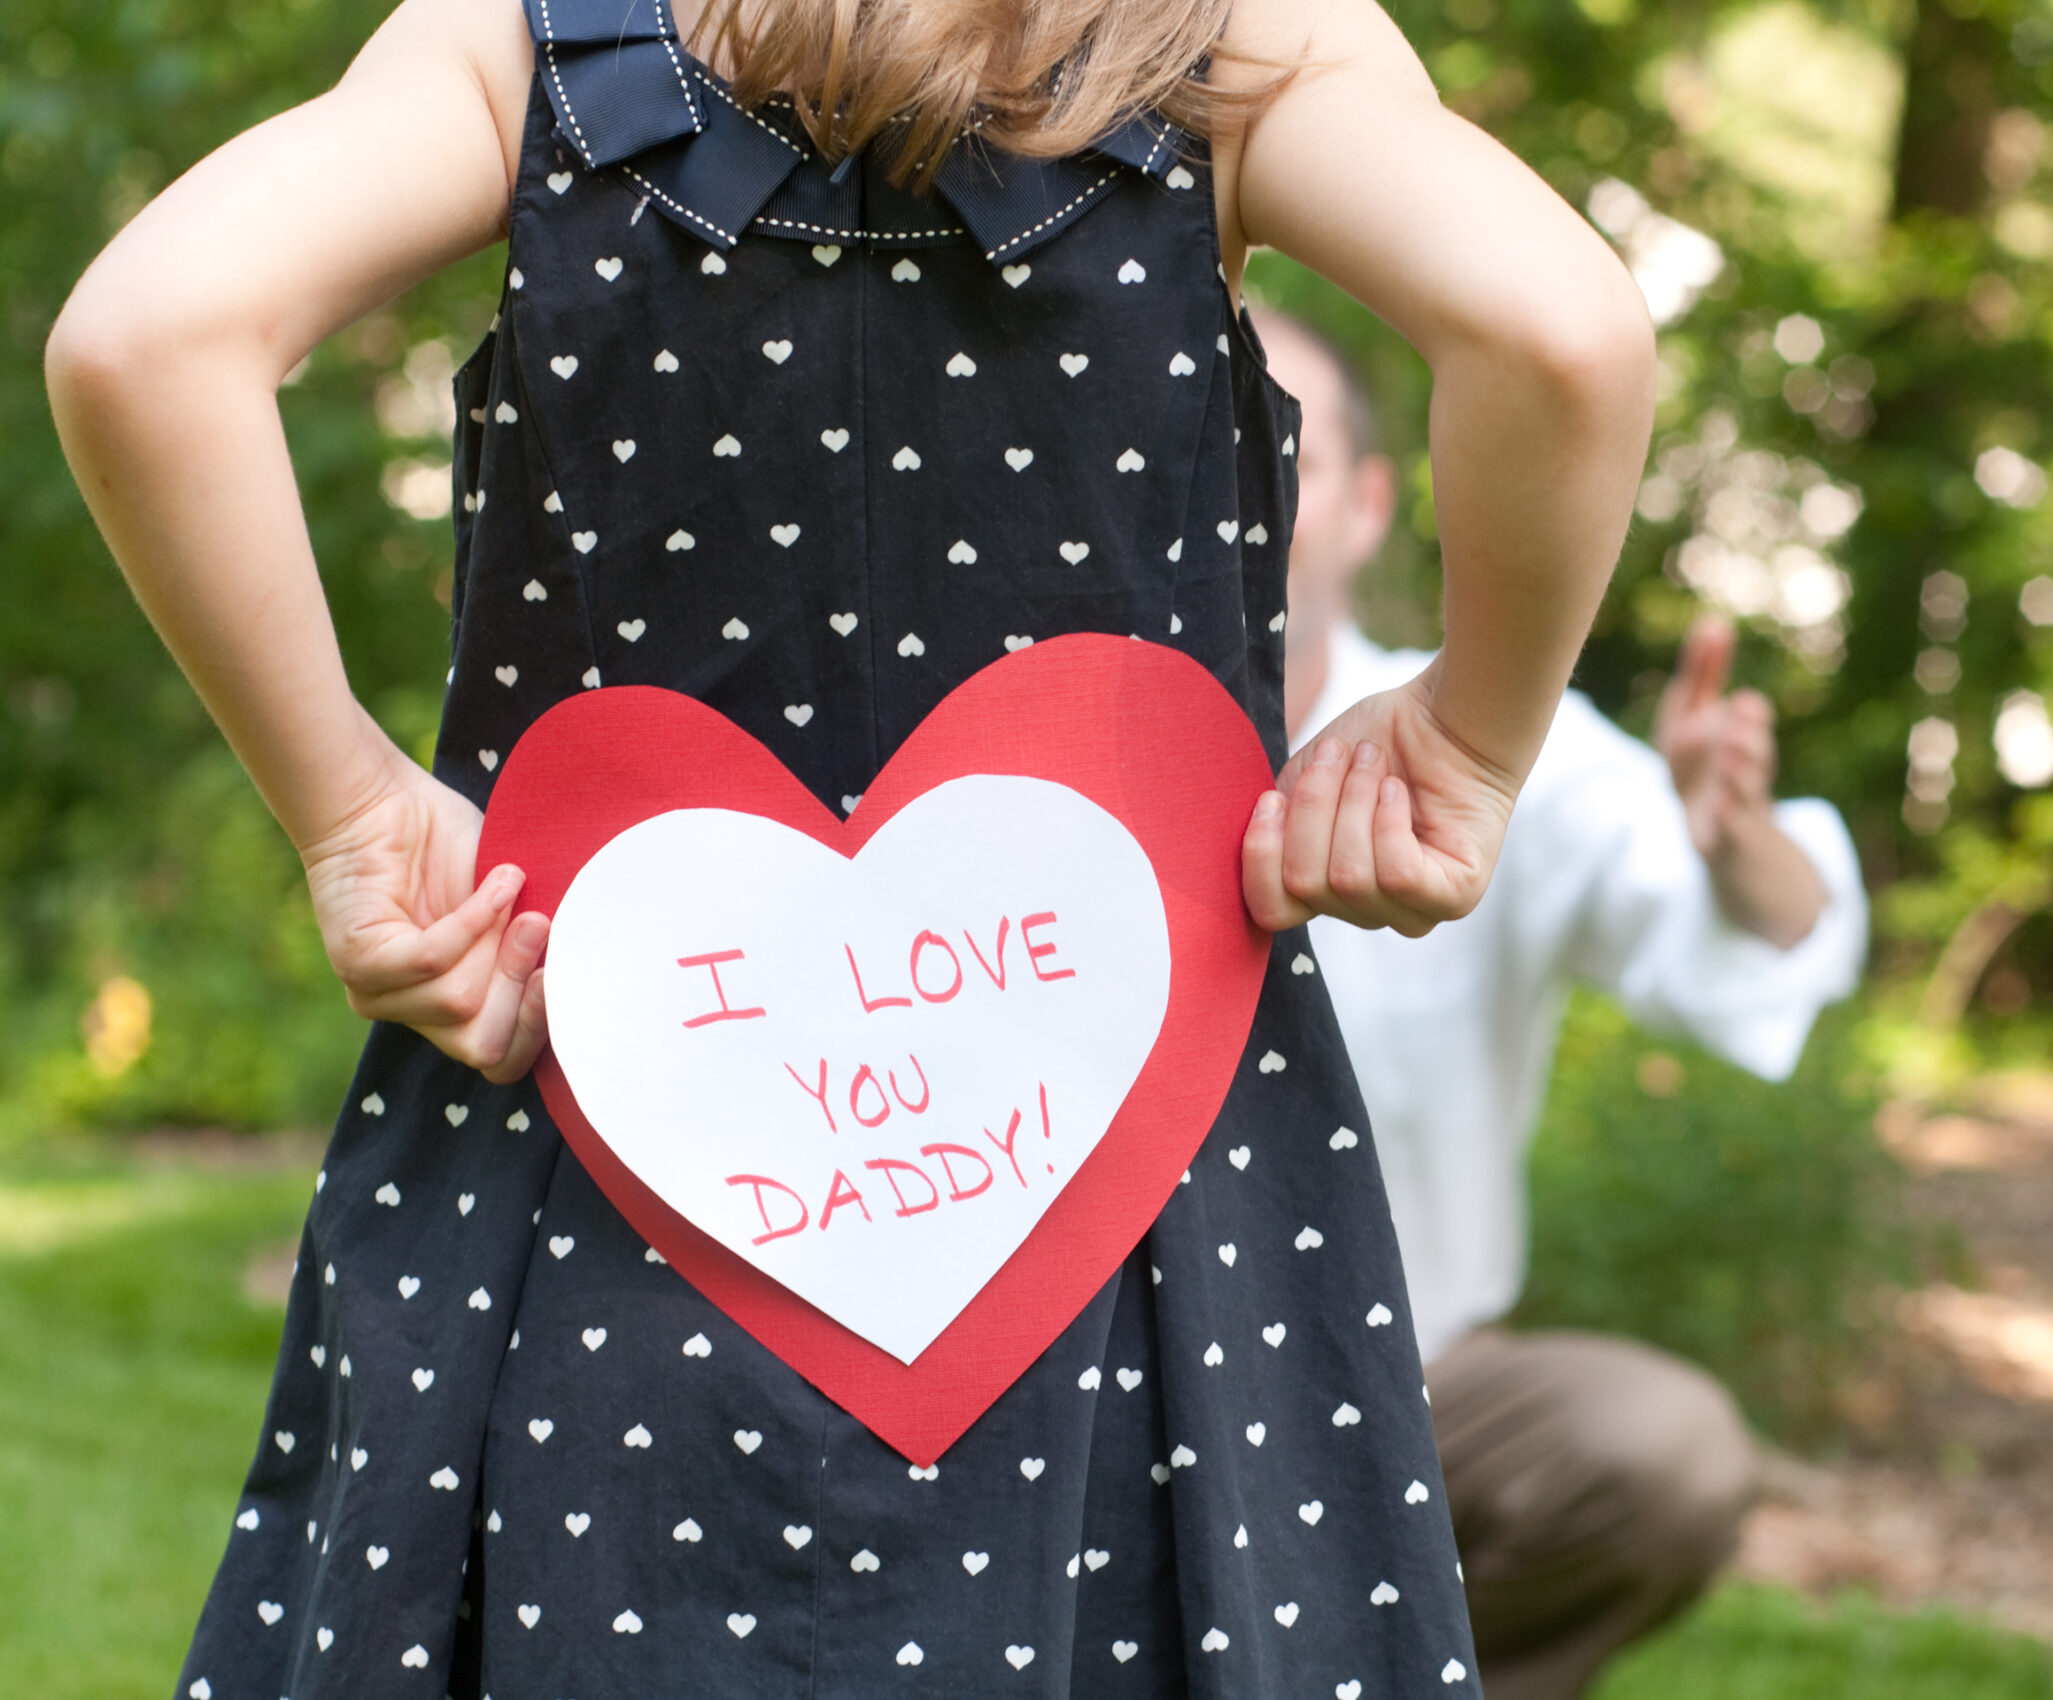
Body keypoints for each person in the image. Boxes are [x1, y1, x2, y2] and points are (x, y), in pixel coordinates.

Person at [45, 0, 1658, 1694]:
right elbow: (1561, 335)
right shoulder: (1237, 48)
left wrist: (350, 812)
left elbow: (148, 339)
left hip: (595, 1143)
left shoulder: (515, 50)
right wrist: (1469, 741)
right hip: (1120, 1199)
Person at [1260, 312, 1869, 1700]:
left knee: (1657, 1450)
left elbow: (1758, 937)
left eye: (1278, 451)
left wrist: (1735, 841)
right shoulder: (1017, 745)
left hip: (1407, 1386)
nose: (1234, 485)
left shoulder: (1477, 728)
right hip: (1077, 1403)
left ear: (1365, 507)